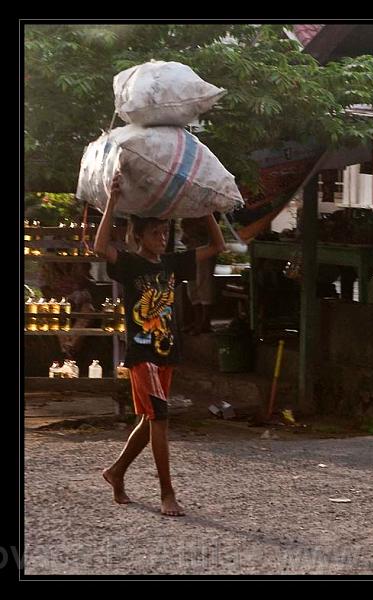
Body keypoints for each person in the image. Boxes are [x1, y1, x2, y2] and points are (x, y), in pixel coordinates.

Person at [94, 172, 226, 516]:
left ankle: (116, 472)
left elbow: (217, 247)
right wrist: (111, 201)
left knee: (149, 419)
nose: (162, 237)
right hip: (143, 355)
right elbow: (99, 246)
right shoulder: (129, 264)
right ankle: (167, 493)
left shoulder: (171, 262)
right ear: (137, 236)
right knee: (161, 421)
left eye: (164, 231)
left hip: (167, 351)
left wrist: (205, 206)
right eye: (155, 232)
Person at [181, 217, 218, 334]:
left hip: (204, 243)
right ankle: (198, 321)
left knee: (204, 282)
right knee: (193, 285)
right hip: (193, 244)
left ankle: (205, 322)